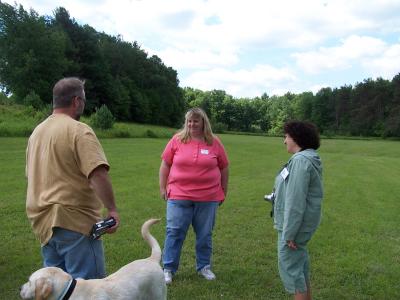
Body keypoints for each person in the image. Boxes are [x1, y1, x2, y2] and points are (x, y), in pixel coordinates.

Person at [25, 77, 120, 280]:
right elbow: (98, 174)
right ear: (76, 101)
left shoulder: (36, 133)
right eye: (83, 101)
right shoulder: (79, 130)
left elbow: (30, 175)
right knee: (88, 287)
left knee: (57, 288)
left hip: (43, 223)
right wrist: (112, 209)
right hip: (75, 222)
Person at [159, 107, 229, 284]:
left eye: (196, 121)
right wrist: (162, 187)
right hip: (178, 196)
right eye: (189, 121)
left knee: (205, 235)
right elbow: (165, 165)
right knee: (174, 232)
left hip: (208, 198)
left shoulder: (214, 142)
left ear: (203, 122)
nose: (192, 124)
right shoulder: (177, 140)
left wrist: (223, 190)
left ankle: (204, 267)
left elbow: (224, 167)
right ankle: (168, 269)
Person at [270, 121, 323, 300]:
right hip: (300, 225)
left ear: (296, 138)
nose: (284, 141)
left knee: (292, 273)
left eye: (286, 137)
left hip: (294, 228)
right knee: (300, 271)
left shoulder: (300, 161)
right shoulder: (306, 158)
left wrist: (289, 233)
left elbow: (296, 201)